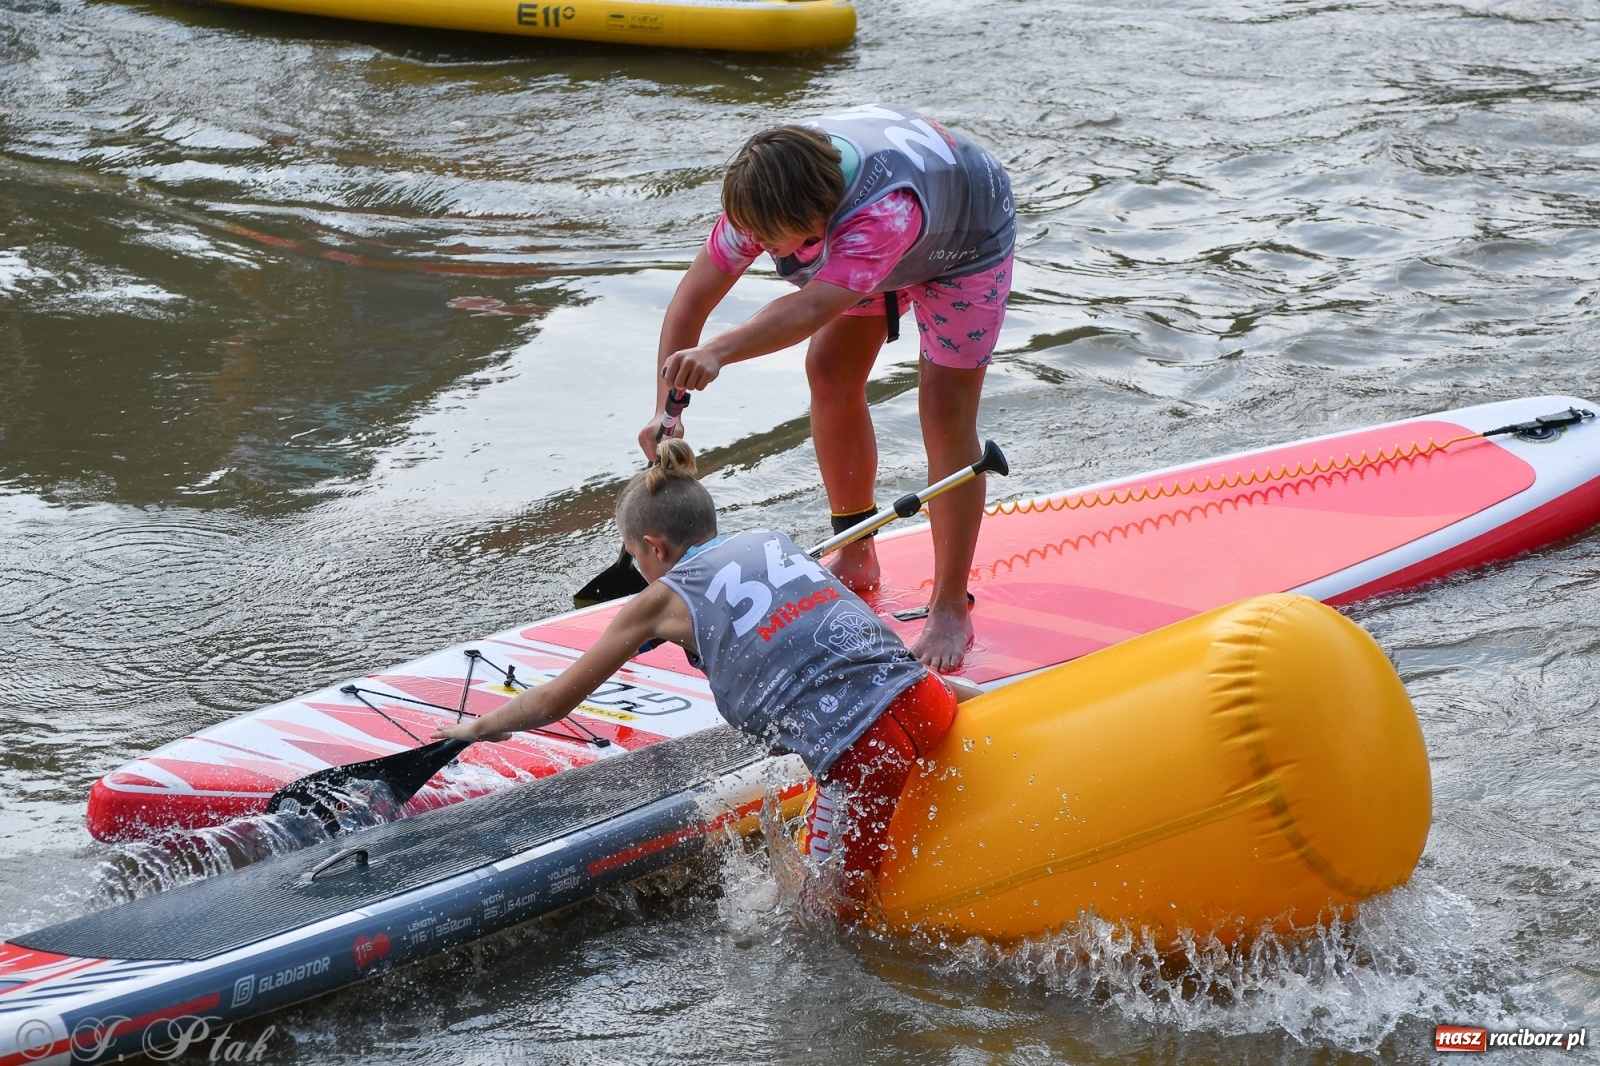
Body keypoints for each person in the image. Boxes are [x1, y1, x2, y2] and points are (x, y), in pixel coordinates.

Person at [433, 440, 977, 901]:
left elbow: (553, 700)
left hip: (861, 752)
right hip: (925, 698)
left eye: (634, 559)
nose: (639, 572)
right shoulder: (772, 540)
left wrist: (479, 727)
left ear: (653, 546)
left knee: (821, 916)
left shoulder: (657, 602)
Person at [638, 104, 1016, 673]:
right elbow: (693, 298)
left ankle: (948, 604)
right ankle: (857, 551)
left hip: (964, 236)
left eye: (773, 241)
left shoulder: (881, 214)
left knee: (943, 411)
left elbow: (812, 306)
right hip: (865, 227)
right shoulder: (761, 200)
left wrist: (717, 352)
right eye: (756, 238)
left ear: (821, 215)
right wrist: (666, 411)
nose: (762, 249)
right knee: (831, 372)